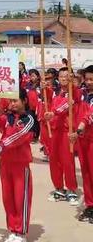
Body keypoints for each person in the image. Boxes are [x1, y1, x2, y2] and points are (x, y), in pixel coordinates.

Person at [0, 89, 35, 242]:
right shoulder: (9, 117)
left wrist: (0, 146)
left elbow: (18, 136)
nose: (12, 104)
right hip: (5, 163)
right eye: (11, 101)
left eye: (16, 101)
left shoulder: (29, 119)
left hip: (20, 165)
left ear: (24, 101)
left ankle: (21, 232)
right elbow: (1, 122)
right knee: (8, 198)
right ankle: (13, 229)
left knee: (20, 198)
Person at [44, 67, 80, 205]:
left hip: (66, 131)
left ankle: (71, 189)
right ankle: (59, 188)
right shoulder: (56, 92)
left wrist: (53, 113)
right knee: (54, 160)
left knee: (67, 161)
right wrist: (44, 88)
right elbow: (47, 98)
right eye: (61, 76)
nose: (63, 78)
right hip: (53, 131)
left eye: (66, 76)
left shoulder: (74, 92)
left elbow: (67, 105)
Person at [69, 64, 93, 223]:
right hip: (83, 140)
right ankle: (90, 205)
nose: (89, 82)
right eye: (87, 79)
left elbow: (89, 116)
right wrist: (71, 82)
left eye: (92, 79)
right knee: (86, 174)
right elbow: (74, 95)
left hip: (90, 139)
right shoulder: (84, 94)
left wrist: (78, 130)